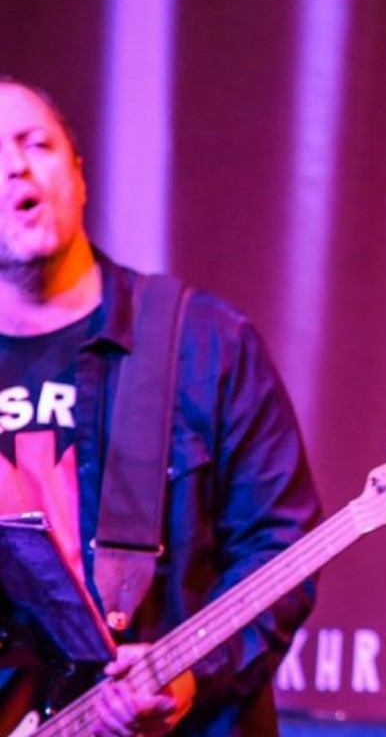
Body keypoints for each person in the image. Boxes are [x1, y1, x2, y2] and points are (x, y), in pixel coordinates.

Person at [0, 78, 322, 737]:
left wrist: (192, 673)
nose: (15, 167)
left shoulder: (204, 343)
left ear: (79, 176)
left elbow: (280, 550)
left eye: (36, 144)